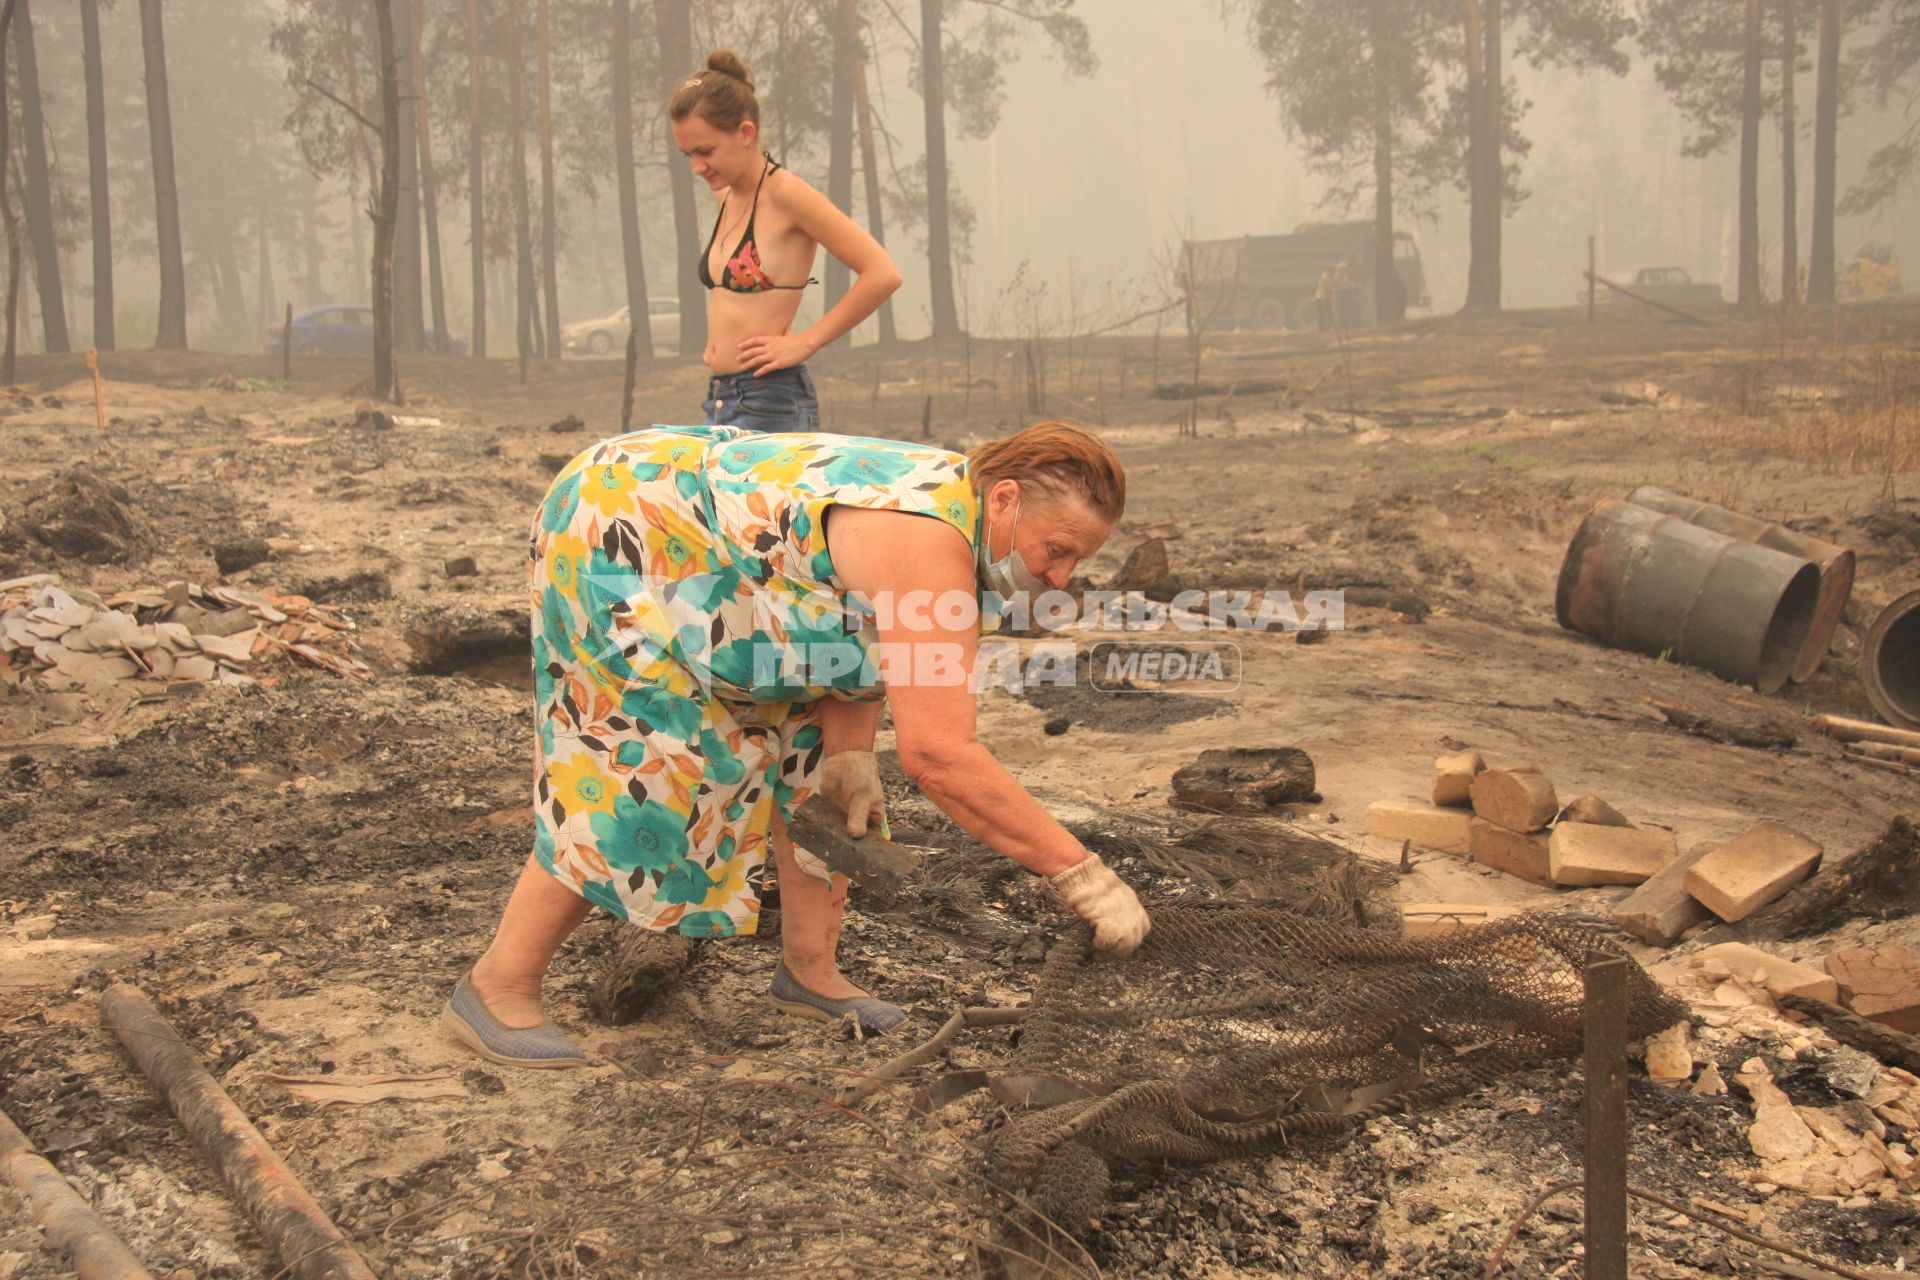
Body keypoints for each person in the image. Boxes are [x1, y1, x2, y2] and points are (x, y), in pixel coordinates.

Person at [443, 420, 1152, 1067]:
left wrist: (849, 753)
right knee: (653, 762)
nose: (1059, 579)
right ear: (1004, 500)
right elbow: (940, 755)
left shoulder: (962, 522)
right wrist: (1078, 874)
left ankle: (809, 972)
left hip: (740, 560)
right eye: (1055, 551)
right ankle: (498, 982)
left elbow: (857, 630)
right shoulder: (927, 540)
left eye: (1074, 563)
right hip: (628, 529)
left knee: (813, 761)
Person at [669, 51, 902, 432]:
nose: (697, 167)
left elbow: (883, 273)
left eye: (705, 151)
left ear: (745, 133)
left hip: (769, 400)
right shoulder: (726, 195)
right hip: (721, 397)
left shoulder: (787, 194)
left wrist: (805, 343)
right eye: (688, 154)